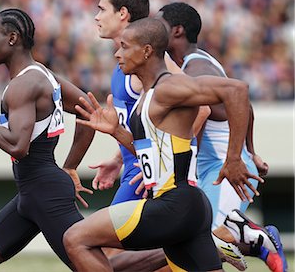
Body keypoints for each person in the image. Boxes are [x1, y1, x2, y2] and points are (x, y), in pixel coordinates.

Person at [64, 17, 265, 272]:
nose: (117, 54)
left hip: (174, 204)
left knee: (76, 238)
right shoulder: (149, 95)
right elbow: (156, 155)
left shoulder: (168, 87)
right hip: (186, 207)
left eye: (125, 47)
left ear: (147, 51)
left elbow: (237, 91)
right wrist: (116, 131)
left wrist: (234, 158)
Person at [0, 8, 95, 271]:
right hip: (32, 194)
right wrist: (69, 167)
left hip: (45, 192)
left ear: (12, 38)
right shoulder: (44, 74)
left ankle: (169, 256)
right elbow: (90, 111)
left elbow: (18, 146)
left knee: (101, 267)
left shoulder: (23, 85)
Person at [155, 2, 288, 272]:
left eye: (160, 26)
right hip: (215, 168)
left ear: (177, 30)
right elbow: (243, 107)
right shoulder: (197, 64)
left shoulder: (196, 70)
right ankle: (251, 238)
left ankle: (259, 239)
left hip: (222, 171)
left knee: (202, 242)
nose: (154, 31)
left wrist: (238, 157)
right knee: (185, 247)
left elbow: (210, 109)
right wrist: (250, 150)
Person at [91, 0, 209, 271]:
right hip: (135, 169)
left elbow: (202, 108)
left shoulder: (154, 59)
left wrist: (160, 166)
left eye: (101, 9)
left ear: (122, 14)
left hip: (148, 176)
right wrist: (119, 158)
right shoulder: (125, 57)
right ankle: (214, 248)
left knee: (102, 254)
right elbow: (140, 121)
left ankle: (220, 244)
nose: (95, 16)